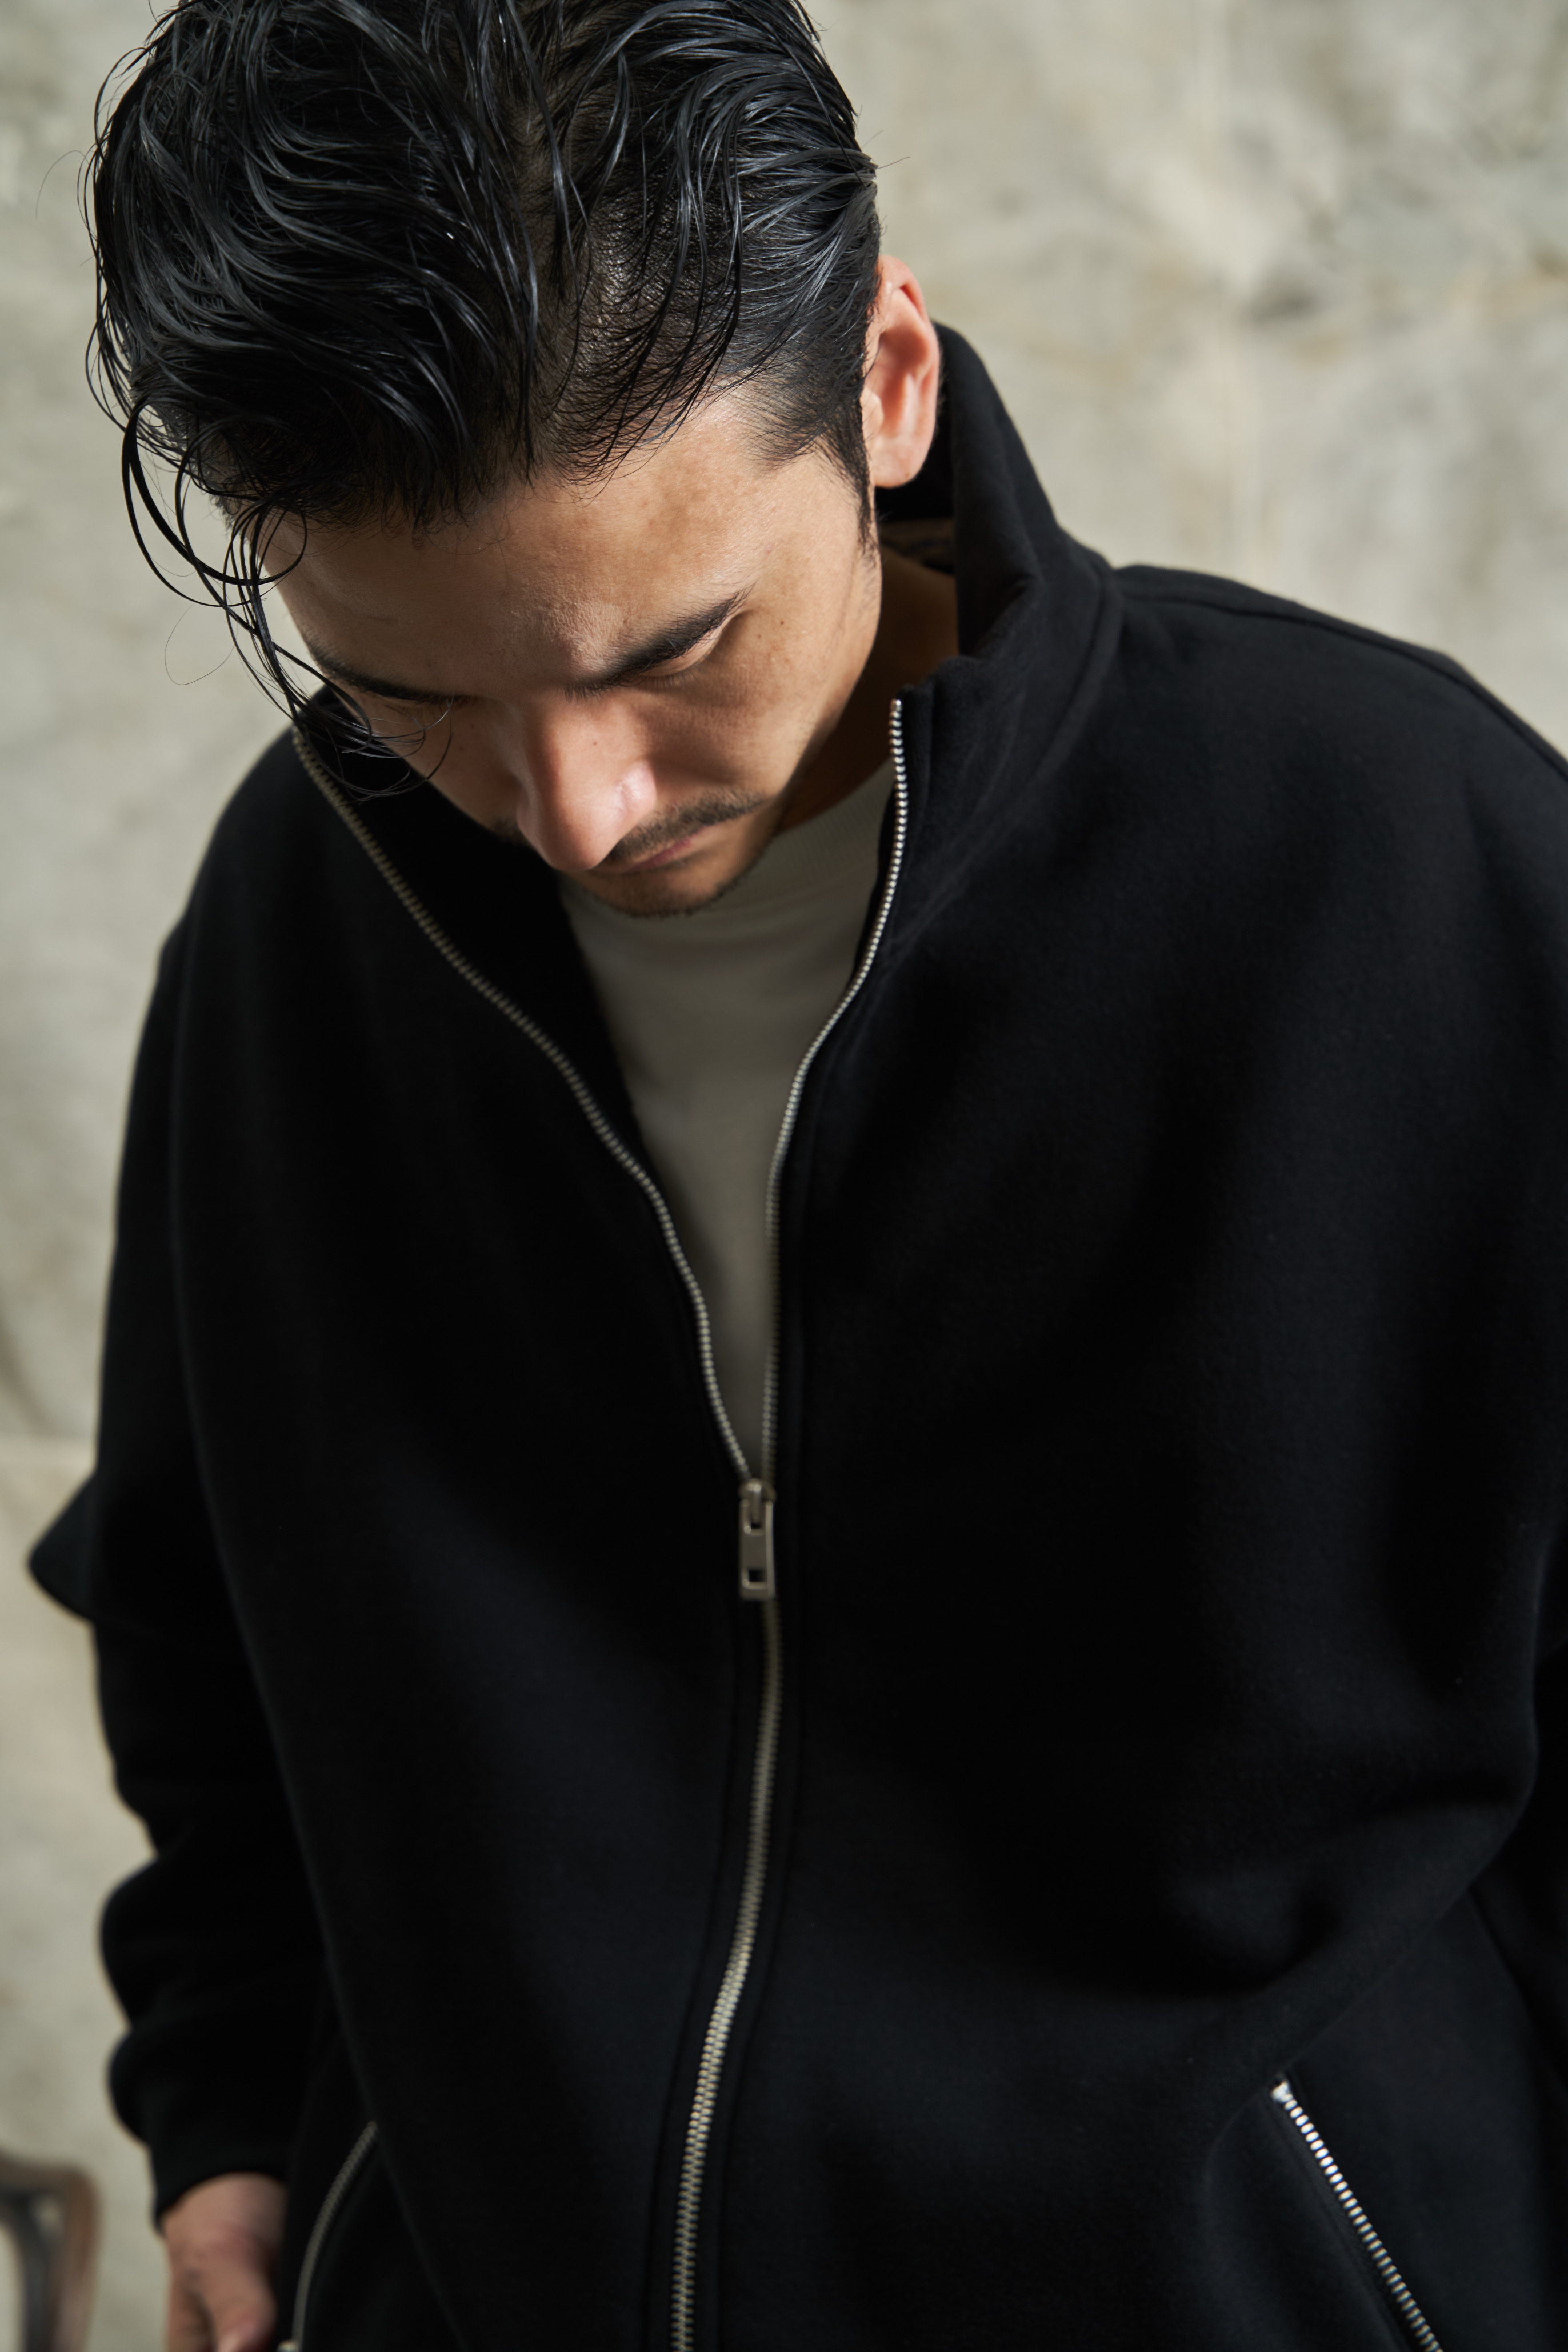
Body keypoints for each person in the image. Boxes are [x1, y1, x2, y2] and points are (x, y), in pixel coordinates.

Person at [33, 0, 1568, 2345]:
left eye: (675, 650)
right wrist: (232, 2120)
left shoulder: (1395, 864)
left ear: (886, 380)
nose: (576, 810)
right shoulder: (301, 922)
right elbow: (202, 1606)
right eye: (415, 696)